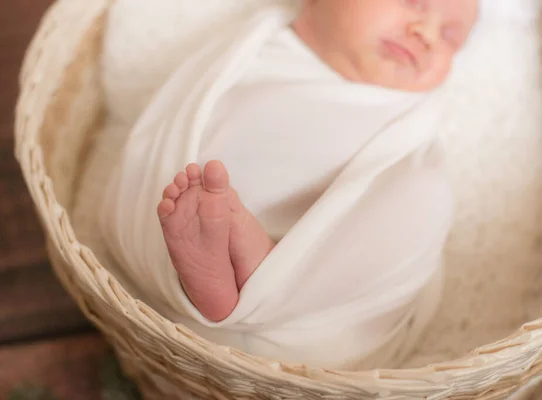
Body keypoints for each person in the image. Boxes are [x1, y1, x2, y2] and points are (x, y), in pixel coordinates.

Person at [101, 0, 479, 369]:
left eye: (451, 36)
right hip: (212, 184)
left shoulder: (408, 120)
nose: (426, 33)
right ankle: (222, 259)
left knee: (423, 197)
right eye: (410, 2)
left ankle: (262, 269)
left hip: (326, 252)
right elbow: (182, 107)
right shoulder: (257, 46)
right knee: (194, 181)